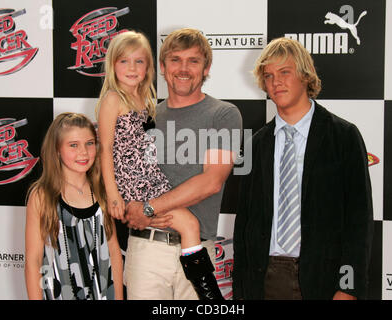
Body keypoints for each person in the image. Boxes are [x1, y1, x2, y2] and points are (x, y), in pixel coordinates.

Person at [97, 30, 238, 299]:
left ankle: (211, 296)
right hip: (146, 249)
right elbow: (112, 152)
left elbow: (212, 181)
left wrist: (149, 209)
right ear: (162, 67)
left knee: (189, 224)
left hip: (195, 247)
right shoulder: (149, 114)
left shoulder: (224, 114)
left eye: (193, 61)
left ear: (206, 67)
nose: (183, 68)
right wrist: (116, 196)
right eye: (175, 60)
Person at [232, 37, 374, 300]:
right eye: (269, 75)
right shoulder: (256, 144)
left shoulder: (343, 136)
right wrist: (241, 289)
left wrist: (348, 287)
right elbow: (244, 225)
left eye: (285, 72)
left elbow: (358, 220)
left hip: (325, 279)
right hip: (265, 278)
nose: (276, 82)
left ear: (305, 76)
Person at [25, 112, 123, 300]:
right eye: (73, 145)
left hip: (102, 293)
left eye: (89, 143)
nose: (84, 152)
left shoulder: (103, 191)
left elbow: (114, 252)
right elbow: (33, 261)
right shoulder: (42, 196)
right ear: (56, 150)